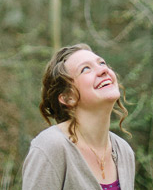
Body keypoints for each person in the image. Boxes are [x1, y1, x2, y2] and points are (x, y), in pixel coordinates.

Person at [22, 44, 135, 190]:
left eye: (102, 63)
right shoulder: (51, 147)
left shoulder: (124, 151)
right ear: (67, 98)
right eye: (85, 69)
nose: (103, 70)